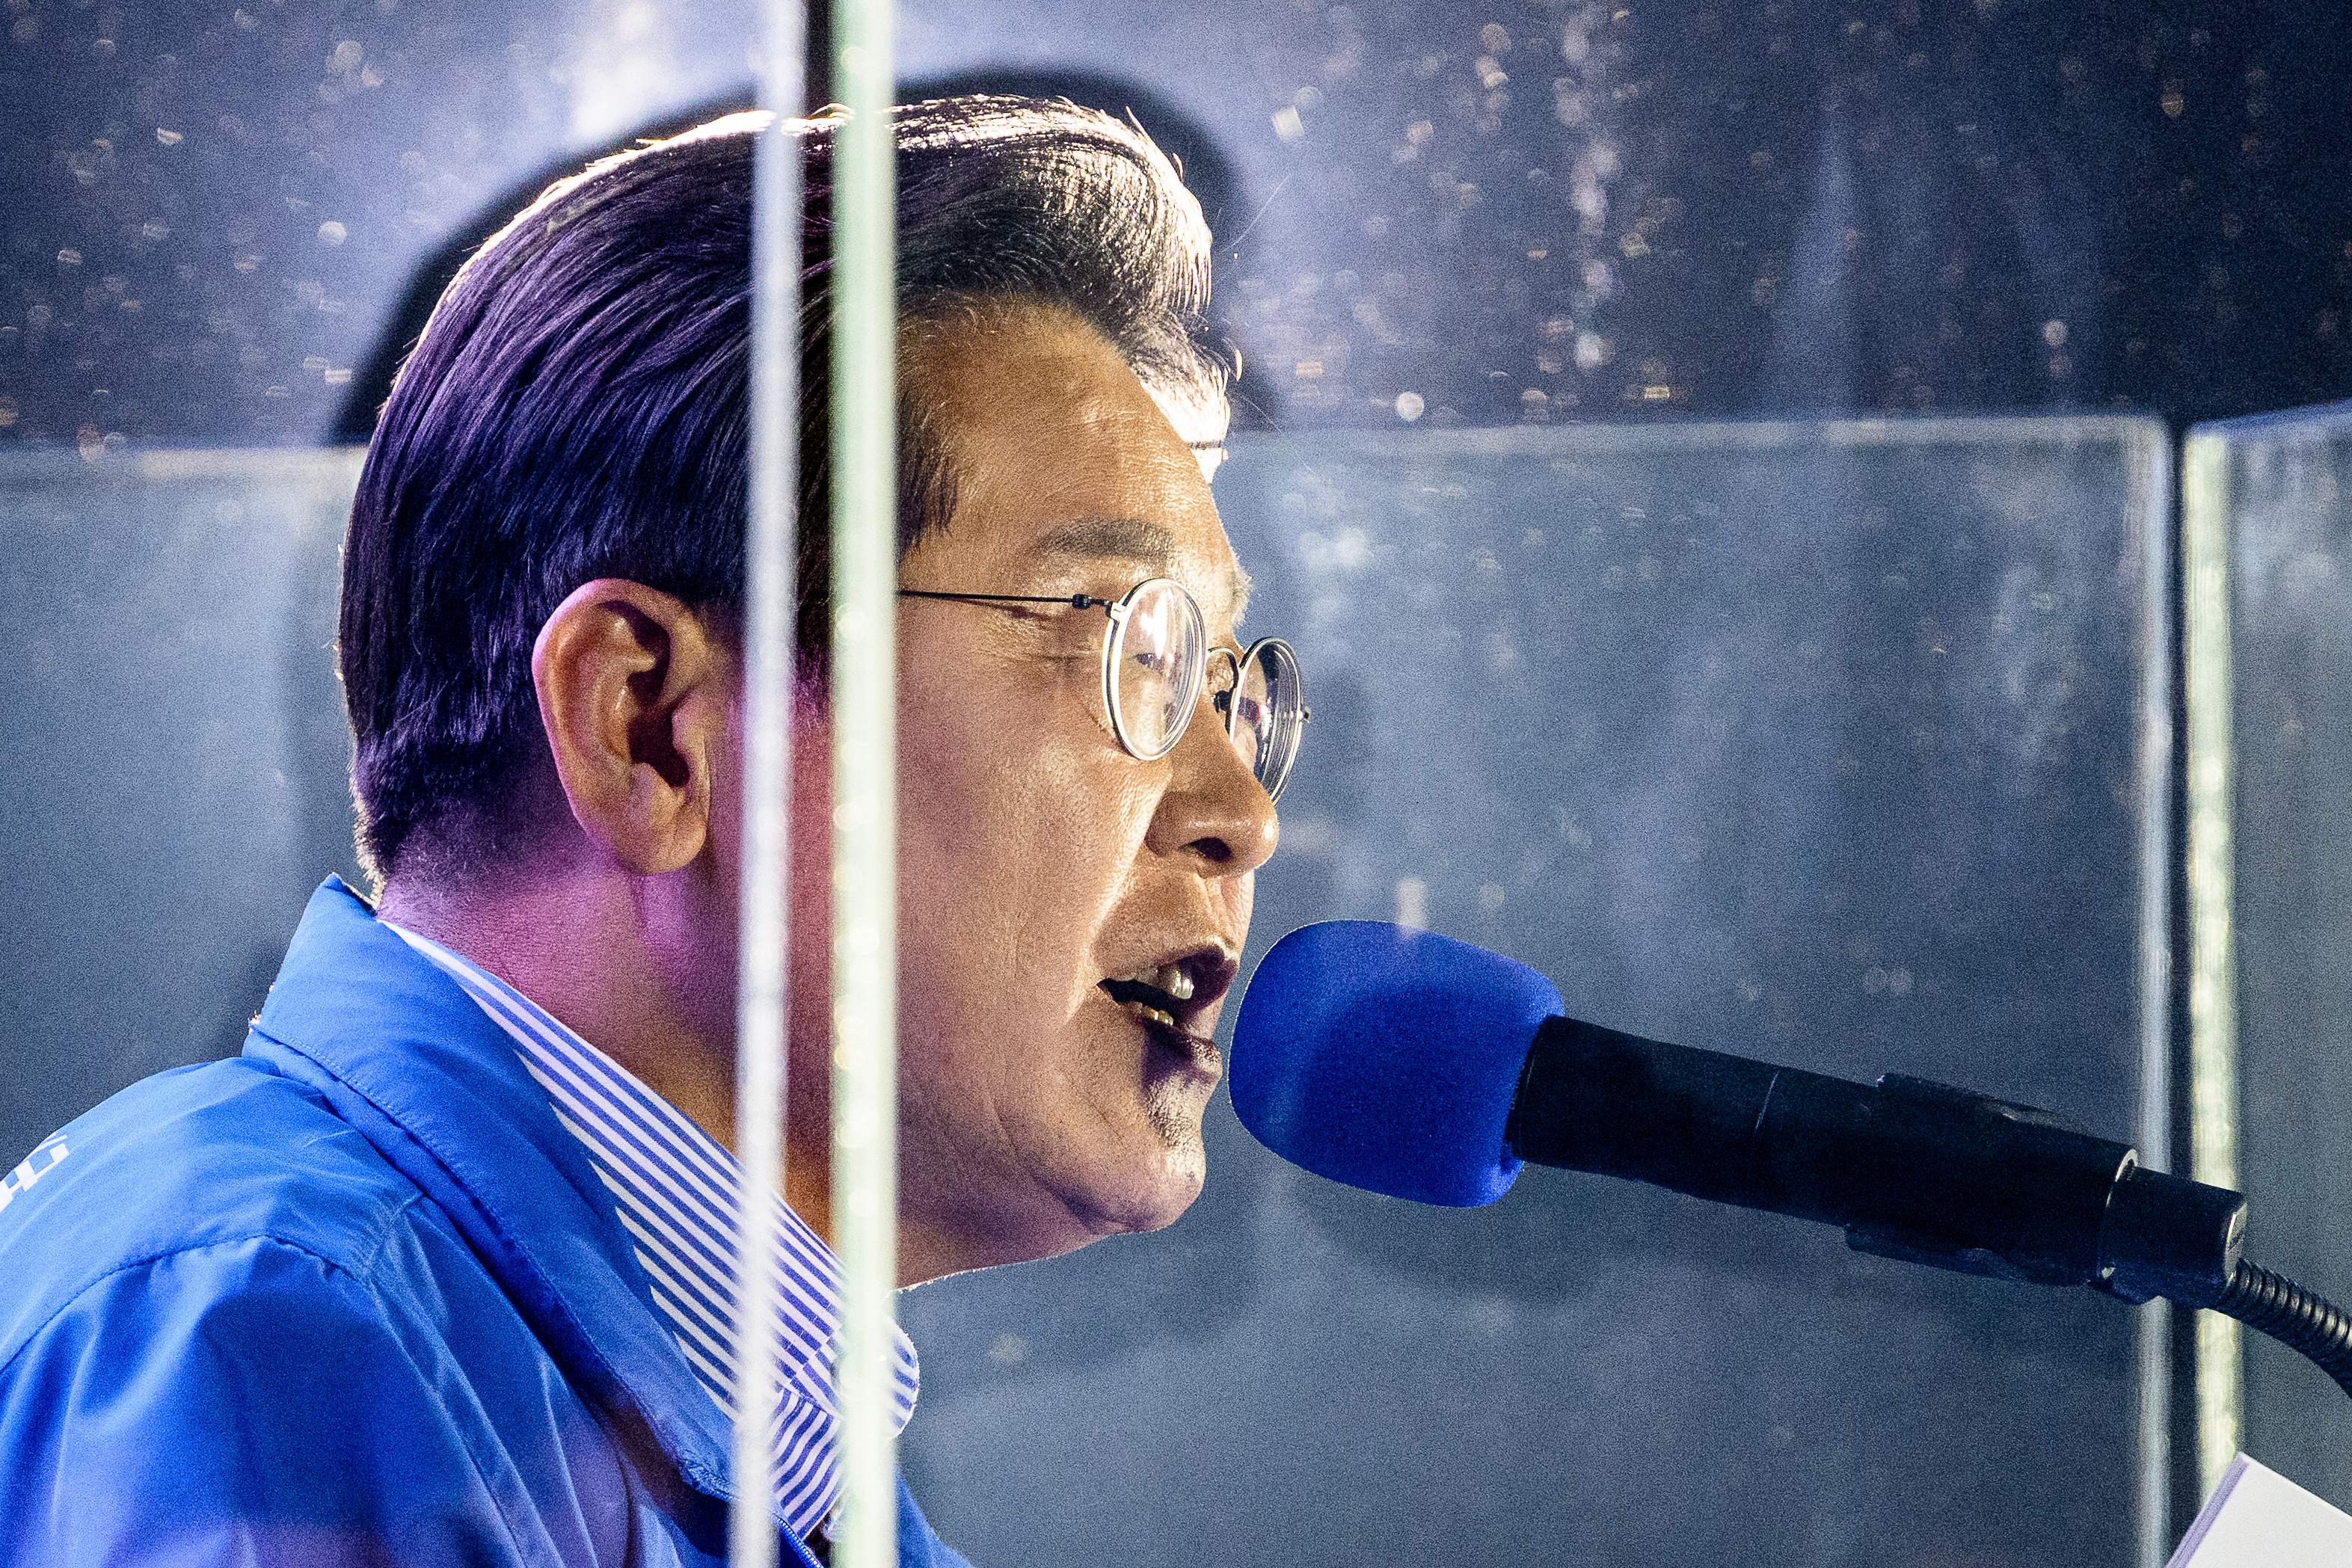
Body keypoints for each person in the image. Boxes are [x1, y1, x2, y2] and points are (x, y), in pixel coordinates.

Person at [0, 96, 1304, 1567]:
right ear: (650, 728)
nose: (1241, 815)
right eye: (1128, 647)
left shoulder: (737, 1464)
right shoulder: (266, 1351)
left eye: (1223, 687)